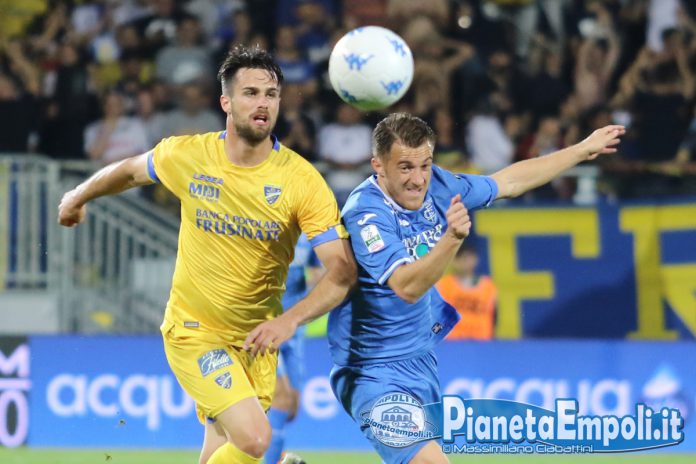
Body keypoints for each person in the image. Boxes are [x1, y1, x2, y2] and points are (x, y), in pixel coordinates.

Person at [58, 45, 357, 464]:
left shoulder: (302, 181)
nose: (263, 103)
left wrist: (289, 321)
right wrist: (78, 196)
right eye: (250, 93)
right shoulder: (190, 155)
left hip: (255, 343)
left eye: (271, 94)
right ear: (226, 102)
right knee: (256, 440)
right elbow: (128, 171)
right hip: (195, 332)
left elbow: (341, 271)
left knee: (221, 454)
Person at [328, 112, 624, 464]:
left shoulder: (440, 186)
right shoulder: (367, 214)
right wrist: (452, 239)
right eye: (405, 167)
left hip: (420, 360)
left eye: (425, 165)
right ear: (378, 165)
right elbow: (406, 287)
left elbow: (508, 182)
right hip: (371, 370)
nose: (418, 180)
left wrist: (579, 150)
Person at [265, 234, 322, 464]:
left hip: (294, 328)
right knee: (280, 398)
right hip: (266, 324)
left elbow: (318, 273)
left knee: (291, 408)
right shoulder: (267, 227)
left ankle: (263, 450)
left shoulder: (309, 234)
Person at [436, 242, 496, 340]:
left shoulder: (488, 287)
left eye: (470, 258)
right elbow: (436, 316)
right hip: (451, 342)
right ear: (454, 260)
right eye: (463, 258)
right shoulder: (443, 285)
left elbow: (494, 318)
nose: (467, 262)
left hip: (481, 342)